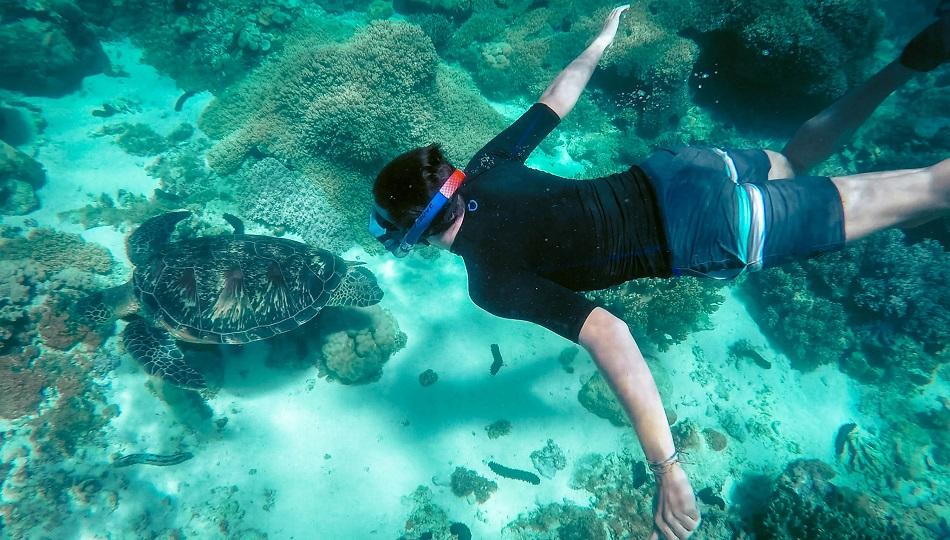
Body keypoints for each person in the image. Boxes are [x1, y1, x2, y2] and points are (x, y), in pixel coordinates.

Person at [370, 5, 949, 539]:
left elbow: (609, 333)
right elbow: (556, 99)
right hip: (683, 169)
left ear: (415, 236)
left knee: (930, 189)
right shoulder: (487, 166)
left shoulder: (490, 280)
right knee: (795, 160)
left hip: (710, 226)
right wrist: (602, 39)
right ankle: (902, 67)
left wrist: (667, 467)